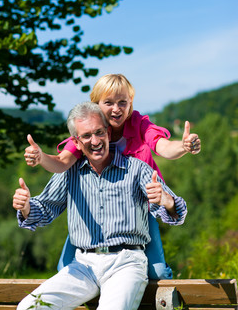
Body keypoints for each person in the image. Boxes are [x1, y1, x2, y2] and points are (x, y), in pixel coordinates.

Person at [14, 102, 187, 310]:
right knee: (29, 307)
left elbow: (177, 213)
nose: (95, 141)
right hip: (82, 265)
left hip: (127, 262)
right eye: (86, 136)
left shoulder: (136, 169)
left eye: (99, 132)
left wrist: (166, 200)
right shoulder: (70, 172)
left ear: (108, 133)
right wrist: (25, 207)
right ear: (76, 142)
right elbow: (42, 211)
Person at [24, 73, 200, 279]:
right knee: (65, 269)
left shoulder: (138, 124)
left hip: (138, 207)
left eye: (122, 102)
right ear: (96, 104)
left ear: (130, 103)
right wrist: (40, 157)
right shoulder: (88, 131)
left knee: (157, 272)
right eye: (109, 103)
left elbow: (163, 147)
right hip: (97, 209)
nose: (116, 109)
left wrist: (184, 145)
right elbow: (62, 163)